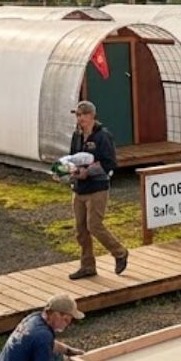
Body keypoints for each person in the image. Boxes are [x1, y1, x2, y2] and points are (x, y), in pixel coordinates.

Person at [67, 100, 128, 280]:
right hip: (79, 189)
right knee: (80, 230)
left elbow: (110, 163)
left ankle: (119, 252)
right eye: (78, 115)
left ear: (92, 116)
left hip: (97, 188)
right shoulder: (76, 136)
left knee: (94, 225)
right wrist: (67, 170)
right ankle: (87, 266)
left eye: (84, 115)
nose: (80, 118)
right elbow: (72, 158)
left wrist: (88, 172)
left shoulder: (103, 136)